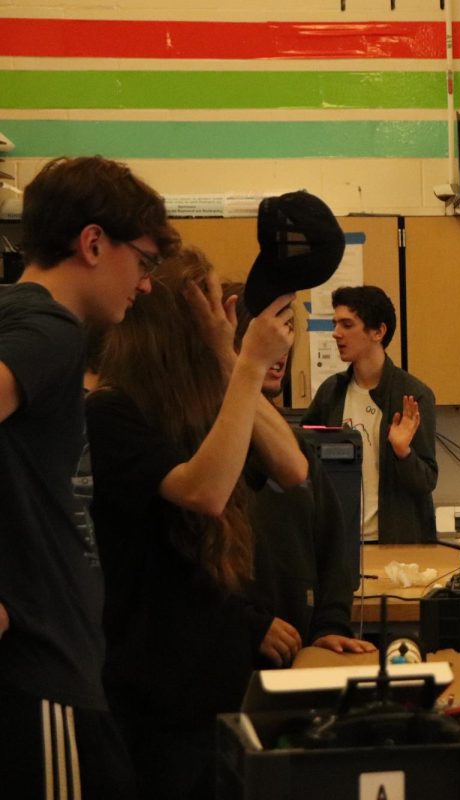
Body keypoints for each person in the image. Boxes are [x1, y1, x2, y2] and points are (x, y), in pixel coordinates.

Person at [86, 246, 303, 799]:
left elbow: (292, 466)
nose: (225, 315)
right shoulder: (111, 413)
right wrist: (249, 364)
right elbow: (203, 492)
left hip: (215, 696)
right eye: (212, 304)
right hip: (151, 705)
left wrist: (232, 361)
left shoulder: (207, 407)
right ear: (176, 321)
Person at [0, 155, 178, 798]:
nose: (148, 283)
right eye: (145, 260)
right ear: (94, 243)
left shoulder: (19, 317)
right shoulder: (50, 329)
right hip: (43, 677)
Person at [226, 281, 375, 656]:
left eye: (288, 334)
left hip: (303, 658)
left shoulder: (298, 447)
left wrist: (329, 626)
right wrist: (247, 624)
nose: (282, 352)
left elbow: (333, 548)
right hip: (233, 662)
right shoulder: (208, 445)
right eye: (269, 337)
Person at [302, 285, 438, 543]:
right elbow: (305, 463)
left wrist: (402, 452)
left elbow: (426, 481)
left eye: (347, 324)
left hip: (395, 545)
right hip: (340, 543)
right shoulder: (331, 393)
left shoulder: (412, 395)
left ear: (378, 331)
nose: (335, 334)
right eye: (335, 324)